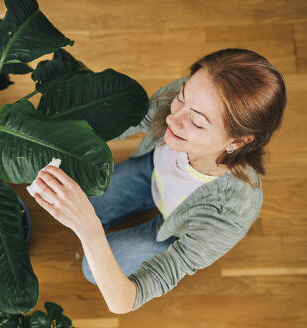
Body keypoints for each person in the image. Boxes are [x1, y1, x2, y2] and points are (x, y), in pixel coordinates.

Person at [32, 48, 287, 314]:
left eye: (197, 122)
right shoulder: (188, 100)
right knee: (84, 201)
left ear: (238, 141)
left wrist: (90, 231)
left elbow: (124, 300)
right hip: (149, 172)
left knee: (93, 269)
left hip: (172, 227)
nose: (172, 118)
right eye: (182, 97)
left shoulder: (227, 214)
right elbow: (127, 119)